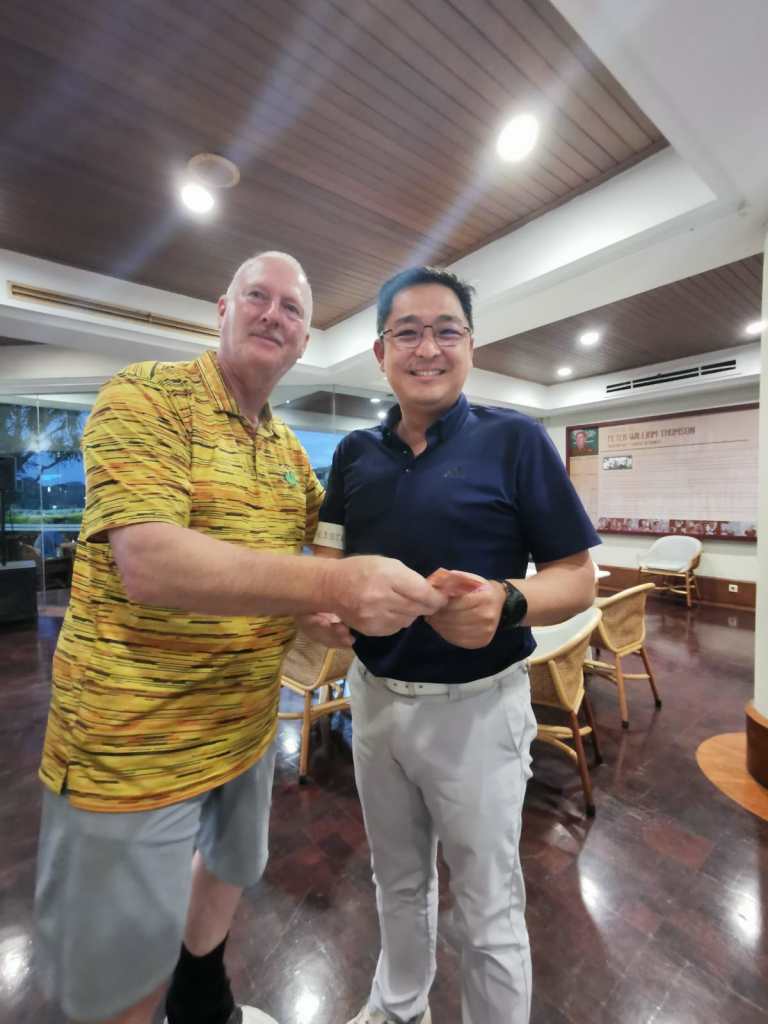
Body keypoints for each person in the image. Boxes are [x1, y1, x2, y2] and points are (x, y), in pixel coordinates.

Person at [34, 252, 446, 1024]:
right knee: (119, 976)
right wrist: (329, 590)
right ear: (222, 309)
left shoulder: (287, 453)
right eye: (258, 296)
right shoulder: (146, 396)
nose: (273, 314)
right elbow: (150, 562)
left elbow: (319, 552)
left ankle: (201, 996)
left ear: (304, 341)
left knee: (231, 865)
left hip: (247, 728)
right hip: (135, 741)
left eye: (292, 308)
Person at [306, 267, 600, 1024]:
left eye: (446, 330)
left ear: (471, 345)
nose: (427, 348)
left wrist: (509, 602)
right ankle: (398, 1006)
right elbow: (329, 557)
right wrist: (327, 604)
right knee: (395, 880)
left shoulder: (516, 440)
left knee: (488, 904)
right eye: (407, 332)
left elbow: (578, 578)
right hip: (374, 703)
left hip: (478, 710)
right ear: (380, 353)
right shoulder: (354, 455)